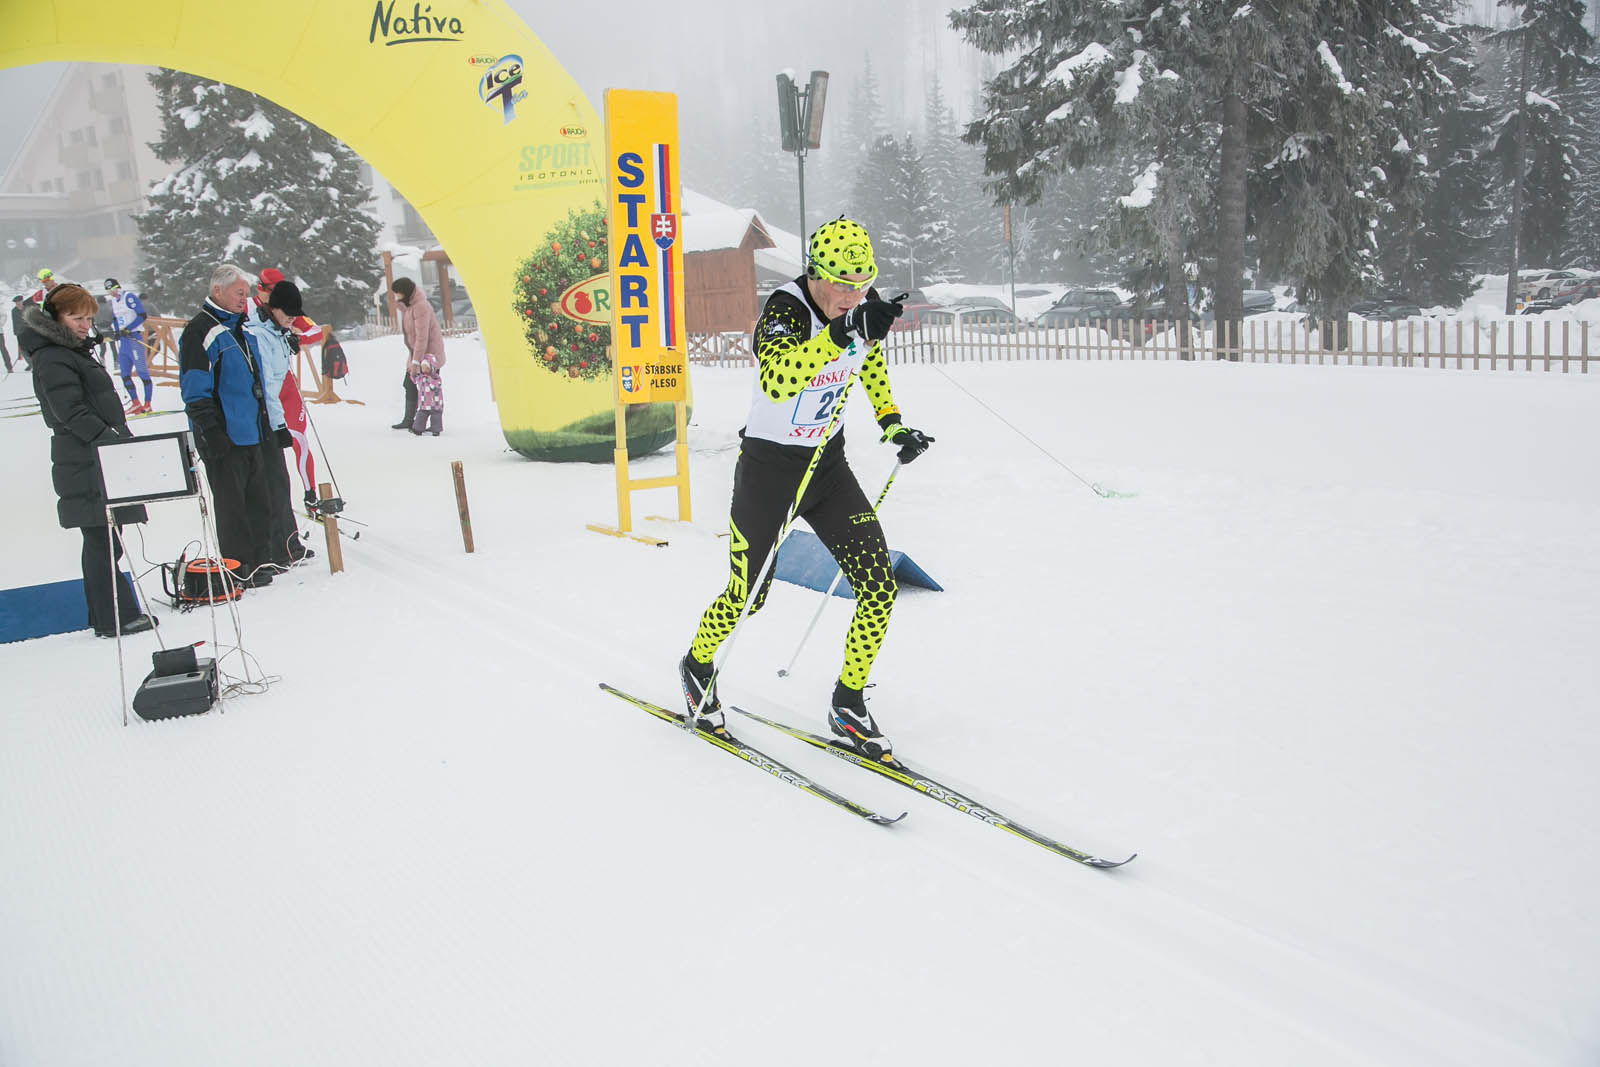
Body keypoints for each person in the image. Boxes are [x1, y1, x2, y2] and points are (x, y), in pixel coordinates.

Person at [678, 217, 934, 762]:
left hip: (827, 469)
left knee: (877, 587)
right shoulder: (785, 309)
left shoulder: (857, 311)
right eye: (843, 283)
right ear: (814, 274)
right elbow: (779, 377)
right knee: (747, 595)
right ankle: (698, 666)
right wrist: (842, 332)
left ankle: (847, 702)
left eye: (863, 283)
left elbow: (870, 367)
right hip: (769, 471)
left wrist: (893, 425)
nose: (853, 295)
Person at [20, 284, 158, 636]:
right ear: (56, 318)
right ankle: (116, 617)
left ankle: (107, 615)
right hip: (84, 457)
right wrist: (109, 441)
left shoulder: (73, 352)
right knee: (100, 539)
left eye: (88, 318)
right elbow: (70, 411)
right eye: (76, 318)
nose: (84, 325)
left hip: (97, 454)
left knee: (106, 538)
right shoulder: (53, 356)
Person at [179, 263, 277, 588]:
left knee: (258, 503)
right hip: (225, 437)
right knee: (232, 508)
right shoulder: (200, 332)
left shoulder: (242, 330)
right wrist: (212, 434)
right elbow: (195, 390)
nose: (244, 299)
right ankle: (238, 566)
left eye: (246, 294)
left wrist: (266, 427)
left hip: (251, 433)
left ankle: (261, 560)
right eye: (238, 293)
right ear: (217, 291)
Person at [242, 278, 315, 567]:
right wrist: (278, 425)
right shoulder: (260, 335)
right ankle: (277, 548)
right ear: (274, 309)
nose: (292, 320)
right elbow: (266, 388)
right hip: (264, 419)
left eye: (295, 316)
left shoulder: (276, 331)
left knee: (280, 482)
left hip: (271, 418)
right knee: (272, 483)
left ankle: (288, 543)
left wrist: (289, 337)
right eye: (288, 315)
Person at [254, 268, 322, 509]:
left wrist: (296, 338)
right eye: (270, 292)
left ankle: (310, 494)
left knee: (300, 440)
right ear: (260, 290)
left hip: (287, 386)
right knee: (268, 449)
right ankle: (272, 501)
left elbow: (316, 330)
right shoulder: (248, 310)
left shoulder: (287, 308)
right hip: (263, 390)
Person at [391, 278, 446, 434]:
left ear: (405, 292)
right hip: (417, 352)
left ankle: (429, 425)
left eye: (397, 292)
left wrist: (416, 362)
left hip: (430, 356)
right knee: (410, 385)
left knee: (429, 389)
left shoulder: (420, 307)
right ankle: (410, 420)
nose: (396, 296)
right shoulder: (409, 307)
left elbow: (423, 337)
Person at [106, 278, 153, 413]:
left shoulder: (128, 297)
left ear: (118, 287)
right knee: (124, 374)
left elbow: (142, 315)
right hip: (124, 342)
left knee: (142, 372)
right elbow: (115, 319)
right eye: (109, 291)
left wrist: (128, 328)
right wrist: (116, 331)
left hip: (134, 338)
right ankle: (135, 403)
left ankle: (148, 404)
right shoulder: (113, 301)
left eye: (113, 290)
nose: (111, 293)